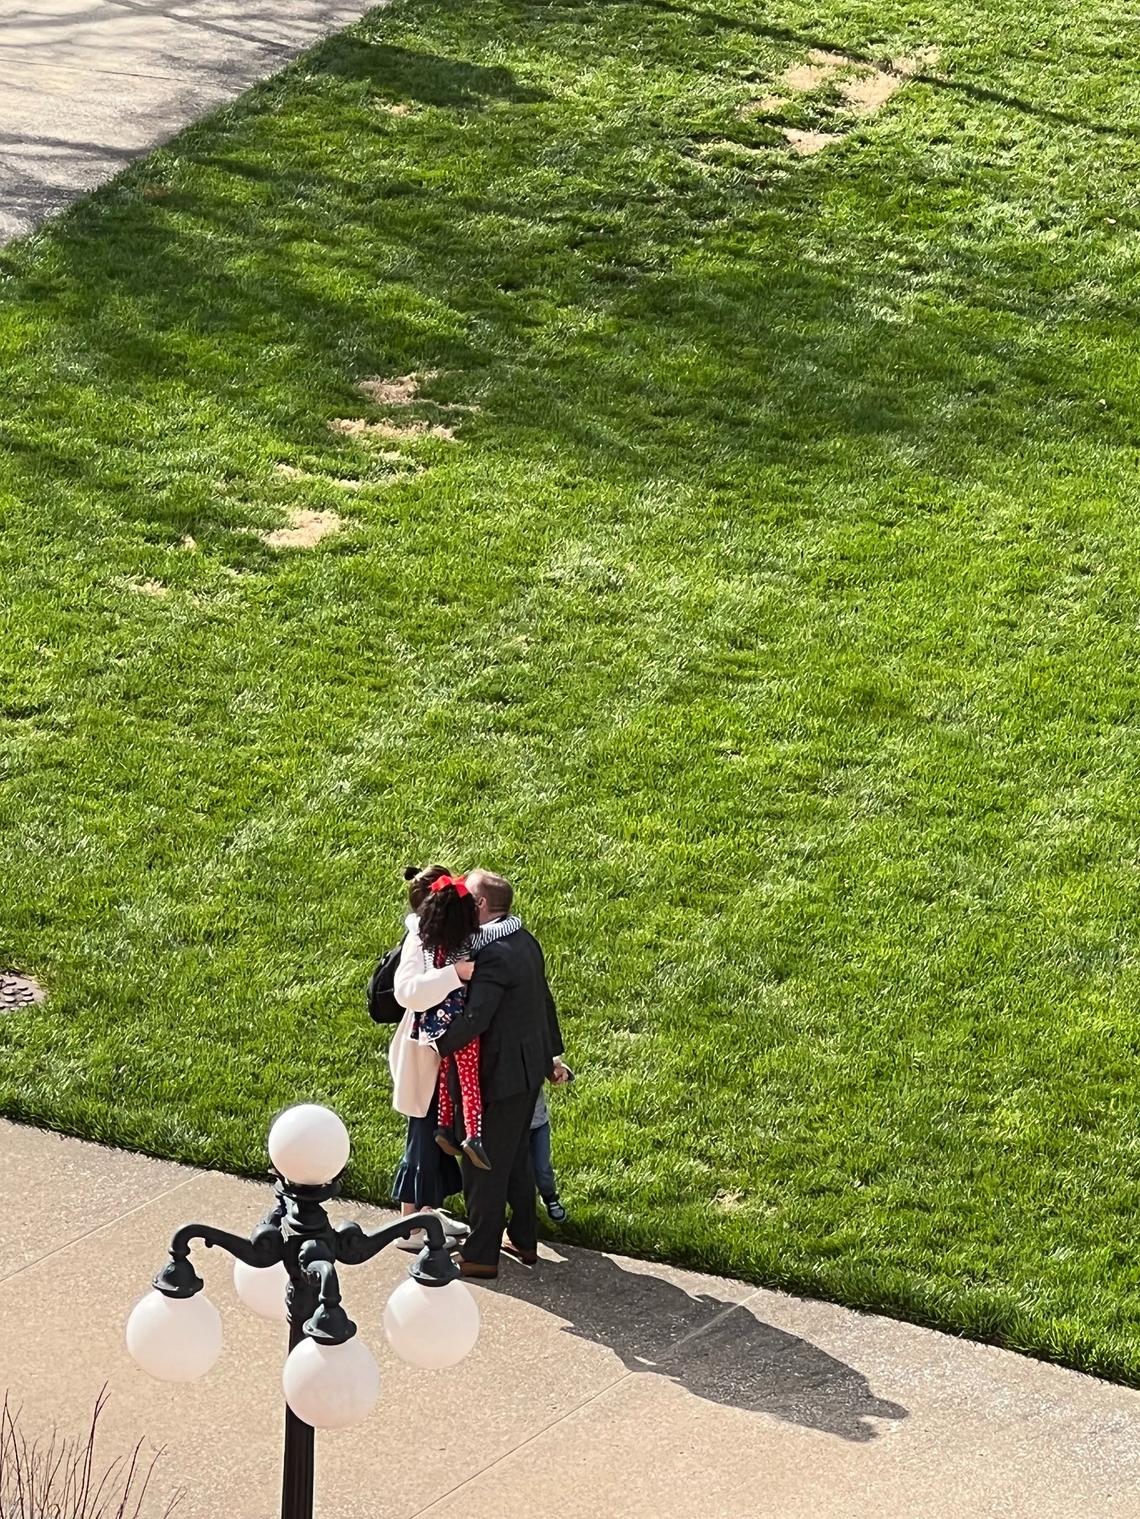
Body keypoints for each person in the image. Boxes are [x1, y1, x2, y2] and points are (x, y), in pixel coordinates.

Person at [432, 870, 566, 1280]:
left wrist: (436, 1041)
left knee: (482, 1164)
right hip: (526, 1073)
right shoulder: (525, 941)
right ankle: (524, 1238)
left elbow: (476, 1018)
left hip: (498, 1078)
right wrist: (551, 1060)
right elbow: (544, 1003)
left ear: (481, 906)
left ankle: (480, 1255)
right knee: (515, 1158)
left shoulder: (491, 955)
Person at [388, 865, 473, 1252]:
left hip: (444, 1060)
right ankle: (411, 1224)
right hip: (422, 1060)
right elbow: (407, 992)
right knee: (421, 1139)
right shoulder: (417, 944)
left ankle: (429, 1211)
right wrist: (455, 975)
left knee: (437, 1137)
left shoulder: (448, 942)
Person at [409, 873, 491, 1170]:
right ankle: (474, 1136)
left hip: (434, 1025)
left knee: (446, 1076)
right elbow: (498, 932)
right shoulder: (468, 944)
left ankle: (444, 1125)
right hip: (459, 1023)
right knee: (470, 1081)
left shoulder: (430, 944)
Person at [530, 1086, 568, 1223]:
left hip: (539, 1124)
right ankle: (526, 1207)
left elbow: (551, 1066)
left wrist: (559, 1071)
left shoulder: (536, 1063)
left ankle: (550, 1197)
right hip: (513, 1126)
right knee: (520, 1171)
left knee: (542, 1167)